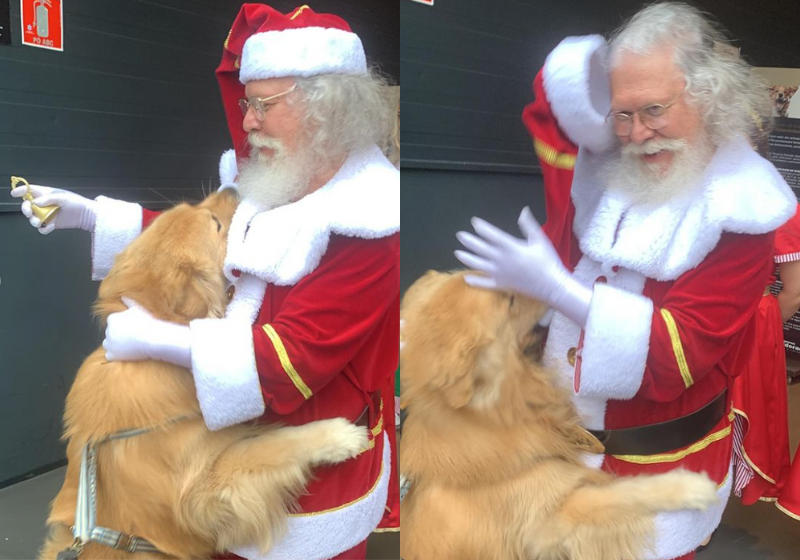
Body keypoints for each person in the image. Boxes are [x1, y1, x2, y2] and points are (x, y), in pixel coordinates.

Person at [12, 4, 399, 560]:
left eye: (265, 105)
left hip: (305, 485)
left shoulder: (371, 221)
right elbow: (216, 243)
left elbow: (293, 363)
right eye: (248, 104)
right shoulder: (282, 174)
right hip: (219, 456)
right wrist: (94, 217)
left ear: (326, 111)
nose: (248, 123)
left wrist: (160, 340)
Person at [455, 3, 795, 559]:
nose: (637, 134)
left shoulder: (741, 208)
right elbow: (553, 112)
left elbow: (679, 353)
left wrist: (559, 291)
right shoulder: (614, 171)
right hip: (560, 453)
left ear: (707, 96)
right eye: (621, 115)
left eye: (654, 110)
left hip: (653, 471)